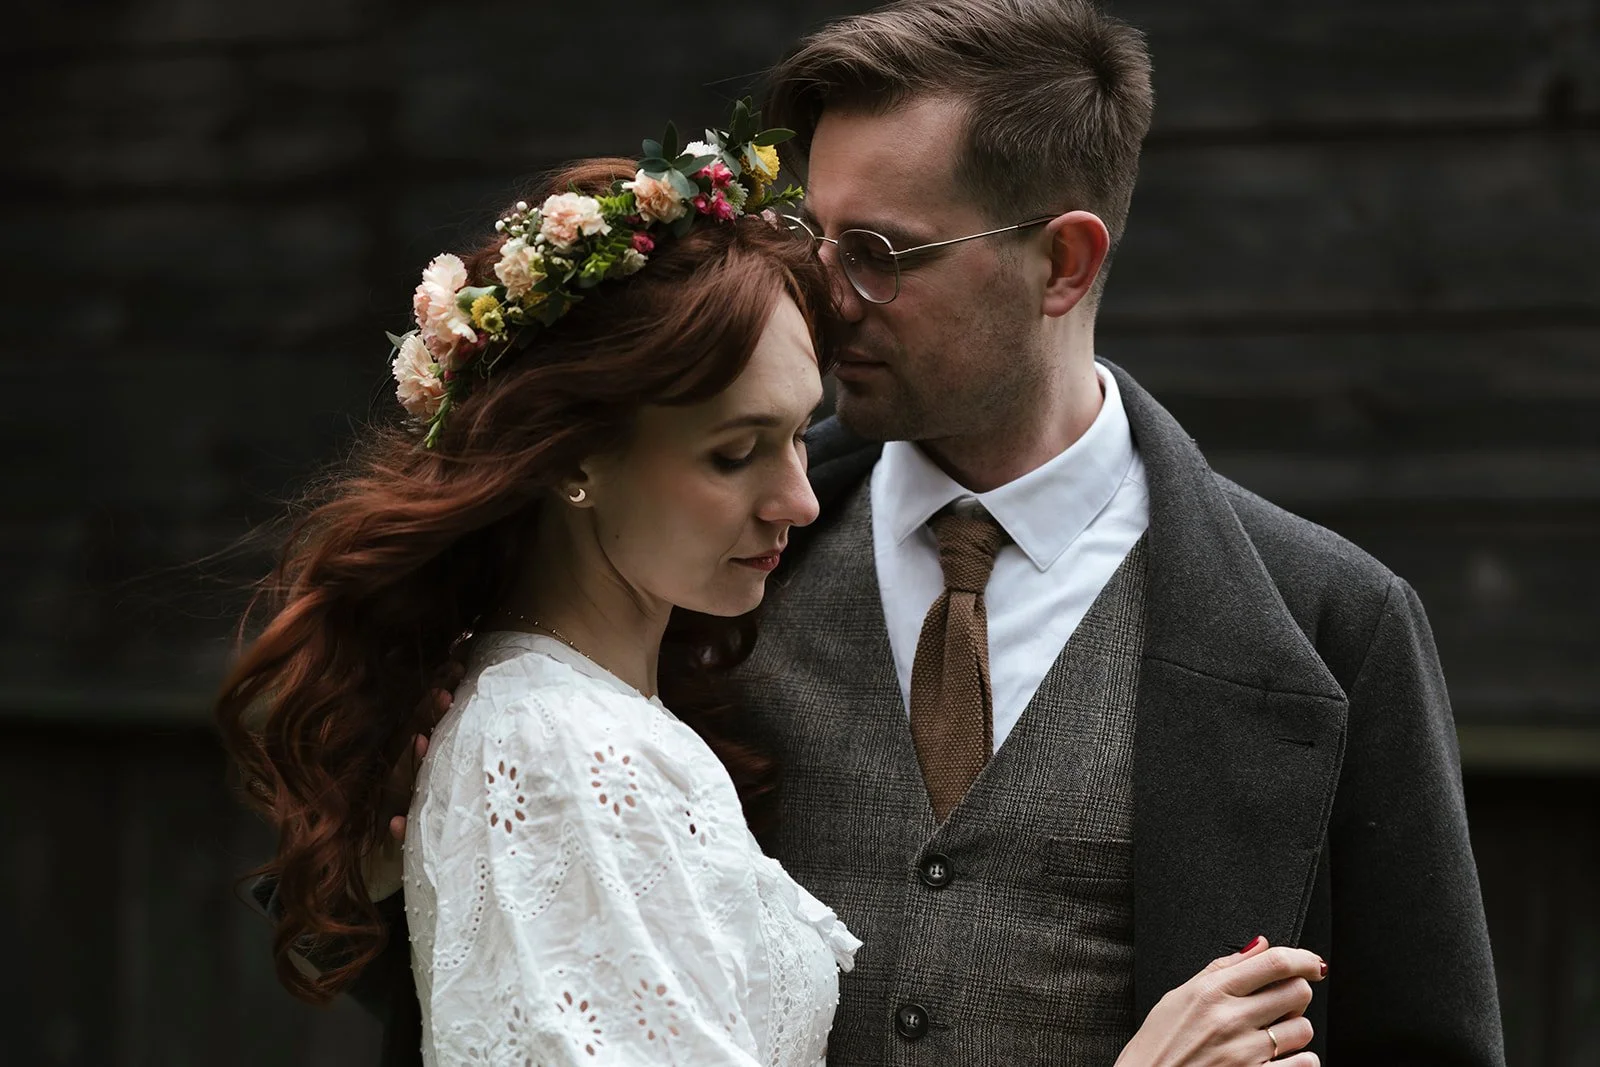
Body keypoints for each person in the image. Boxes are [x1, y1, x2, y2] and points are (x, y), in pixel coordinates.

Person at [224, 106, 1327, 1065]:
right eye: (731, 451)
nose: (799, 501)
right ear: (568, 459)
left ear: (1065, 261)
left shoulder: (1332, 613)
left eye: (799, 436)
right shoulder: (566, 748)